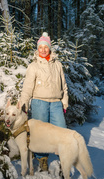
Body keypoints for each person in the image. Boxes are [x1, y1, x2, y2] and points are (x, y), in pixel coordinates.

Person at [20, 32, 69, 171]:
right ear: (37, 48)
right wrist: (24, 104)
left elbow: (64, 85)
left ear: (49, 48)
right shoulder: (33, 66)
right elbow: (27, 88)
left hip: (56, 103)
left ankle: (64, 162)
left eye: (45, 47)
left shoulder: (57, 65)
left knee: (61, 131)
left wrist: (64, 101)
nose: (43, 50)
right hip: (39, 103)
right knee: (40, 133)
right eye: (40, 47)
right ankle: (42, 160)